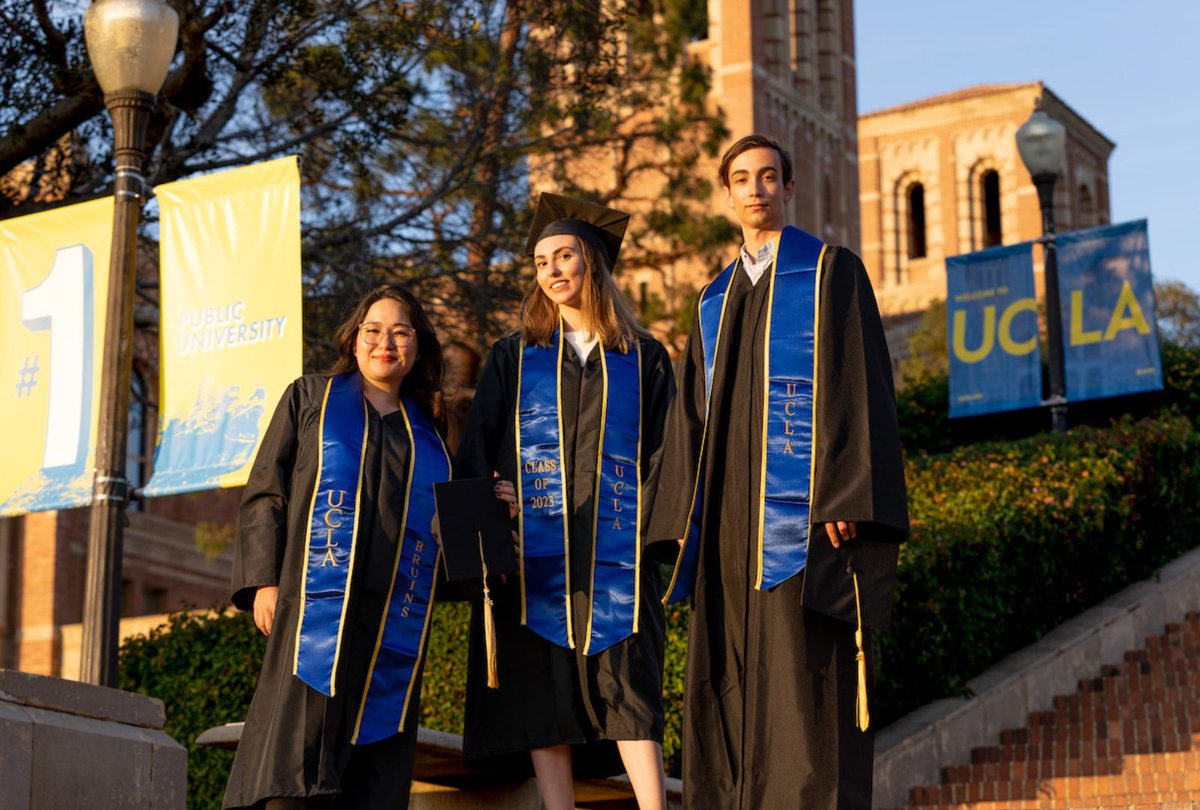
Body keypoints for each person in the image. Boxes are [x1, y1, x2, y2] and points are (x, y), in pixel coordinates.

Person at [646, 134, 909, 809]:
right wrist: (680, 520)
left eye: (769, 177)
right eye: (742, 178)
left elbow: (861, 385)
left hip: (806, 519)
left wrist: (846, 490)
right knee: (727, 668)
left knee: (801, 670)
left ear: (789, 189)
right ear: (728, 193)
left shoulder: (830, 272)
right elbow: (692, 419)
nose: (756, 188)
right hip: (730, 522)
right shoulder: (712, 300)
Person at [453, 193, 675, 810]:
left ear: (593, 265)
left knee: (630, 687)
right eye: (541, 260)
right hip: (535, 560)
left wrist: (650, 531)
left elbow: (668, 459)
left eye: (565, 255)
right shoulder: (513, 355)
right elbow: (480, 453)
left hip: (619, 560)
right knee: (543, 695)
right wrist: (499, 513)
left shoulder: (644, 357)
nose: (551, 270)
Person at [223, 284, 455, 810]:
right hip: (312, 610)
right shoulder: (311, 399)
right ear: (354, 340)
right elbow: (267, 491)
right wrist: (263, 580)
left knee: (373, 768)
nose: (385, 343)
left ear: (417, 347)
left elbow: (446, 538)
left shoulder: (431, 434)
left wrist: (494, 511)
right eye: (373, 331)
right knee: (296, 757)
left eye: (400, 332)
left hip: (389, 622)